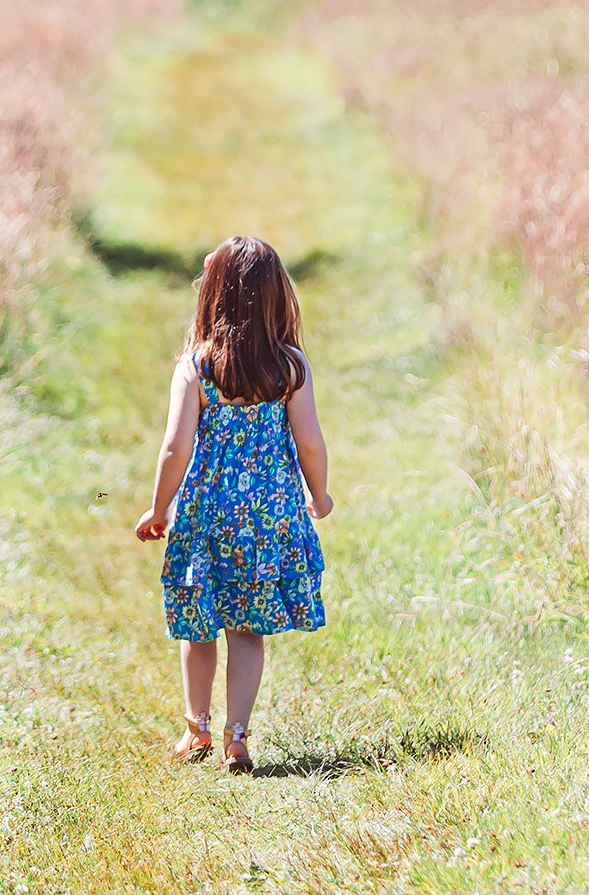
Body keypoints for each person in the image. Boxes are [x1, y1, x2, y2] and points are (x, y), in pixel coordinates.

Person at [134, 235, 331, 774]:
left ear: (212, 296)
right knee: (248, 629)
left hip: (205, 517)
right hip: (266, 520)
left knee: (198, 626)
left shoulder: (196, 367)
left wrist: (159, 509)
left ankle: (195, 728)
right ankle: (236, 738)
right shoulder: (289, 367)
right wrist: (320, 492)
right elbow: (309, 441)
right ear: (276, 298)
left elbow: (175, 447)